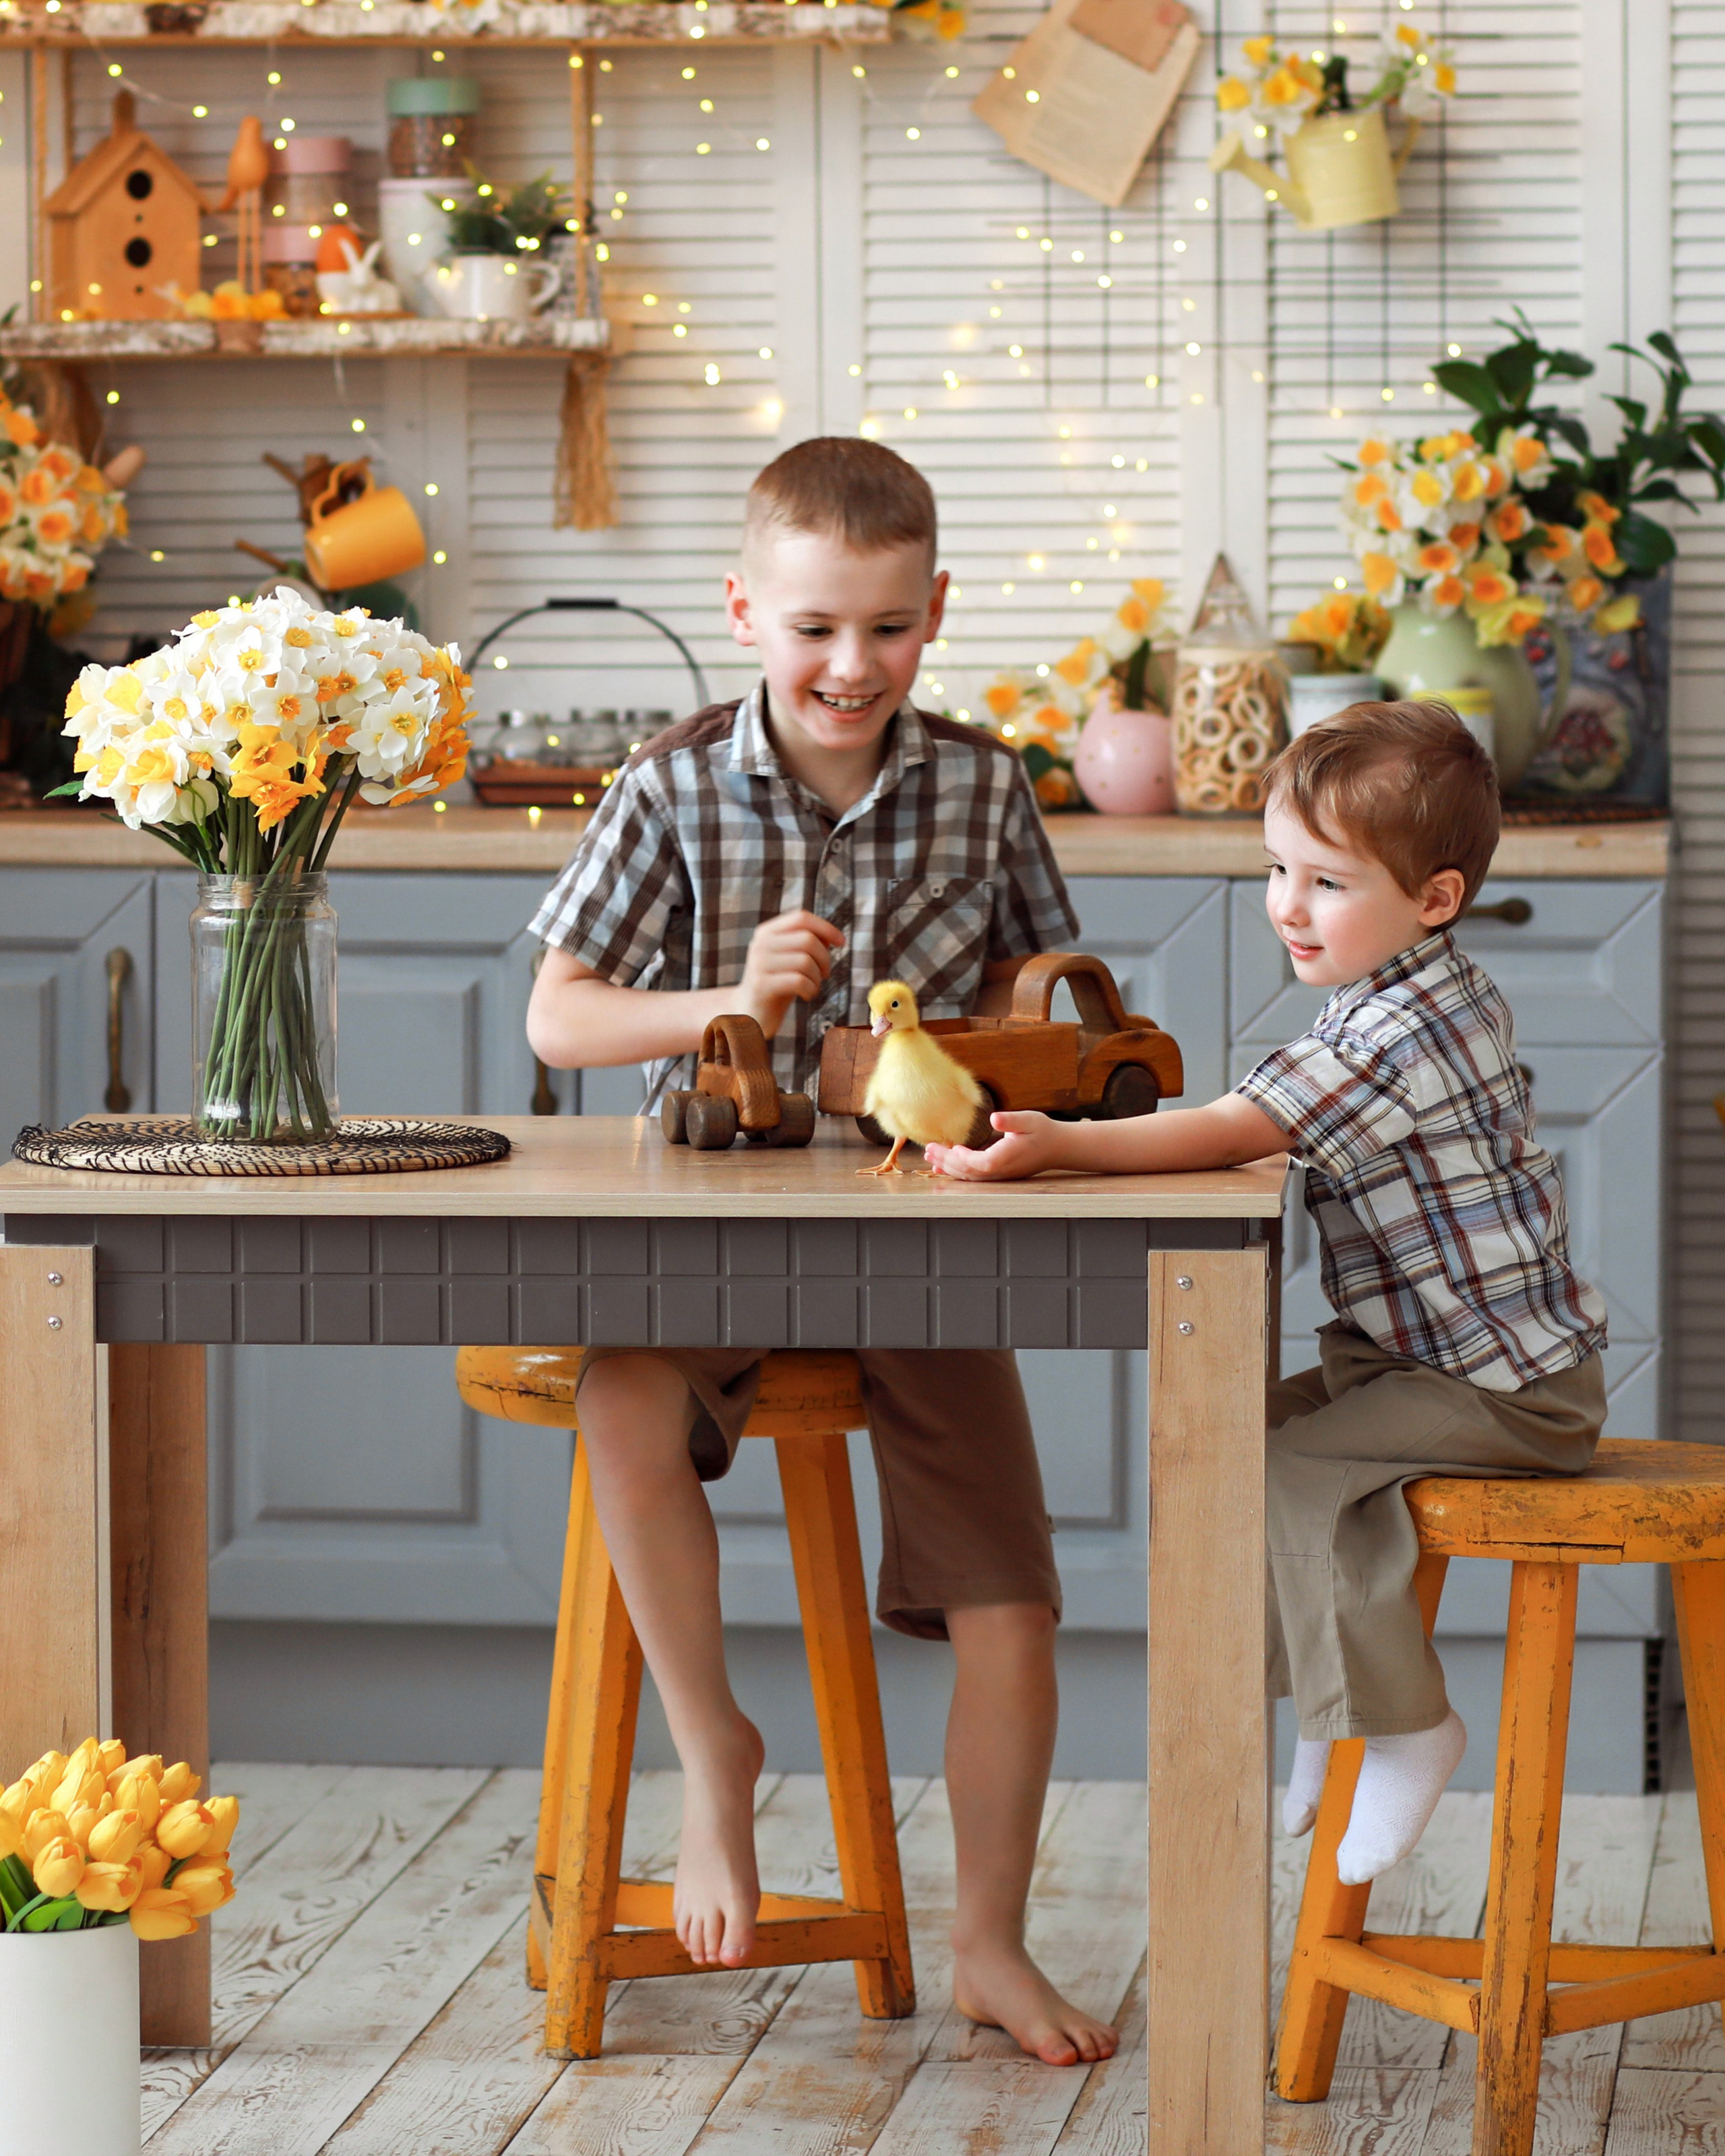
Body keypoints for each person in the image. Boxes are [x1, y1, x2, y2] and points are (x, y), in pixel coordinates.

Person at [524, 435, 1118, 2065]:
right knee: (623, 1397)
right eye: (811, 630)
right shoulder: (670, 785)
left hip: (921, 1242)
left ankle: (988, 1940)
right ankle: (715, 1751)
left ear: (934, 611)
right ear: (742, 613)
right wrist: (725, 1002)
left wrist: (976, 1060)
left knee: (1010, 1596)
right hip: (709, 1232)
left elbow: (1030, 987)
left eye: (885, 629)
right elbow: (558, 1015)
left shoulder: (984, 787)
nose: (849, 665)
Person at [929, 701, 1608, 1886]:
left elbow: (1237, 1126)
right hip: (1423, 1365)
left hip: (1505, 1388)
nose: (1288, 905)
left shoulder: (1396, 1031)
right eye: (1276, 868)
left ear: (1432, 900)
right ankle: (1319, 1714)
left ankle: (1405, 1725)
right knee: (1230, 1449)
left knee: (1288, 1473)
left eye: (1327, 883)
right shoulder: (1403, 996)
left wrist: (1060, 1144)